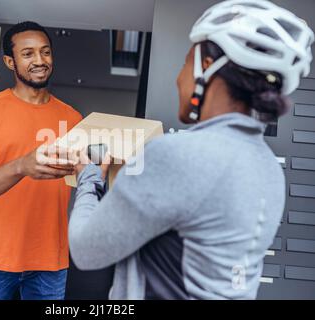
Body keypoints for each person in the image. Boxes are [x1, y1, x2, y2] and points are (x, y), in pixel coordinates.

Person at [68, 0, 314, 299]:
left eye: (186, 62)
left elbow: (86, 250)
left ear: (207, 69)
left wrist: (89, 178)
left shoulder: (176, 154)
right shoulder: (269, 169)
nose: (178, 78)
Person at [0, 21, 82, 300]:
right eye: (27, 54)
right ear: (9, 61)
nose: (39, 61)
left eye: (45, 52)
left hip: (50, 260)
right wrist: (20, 166)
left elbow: (85, 178)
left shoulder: (73, 118)